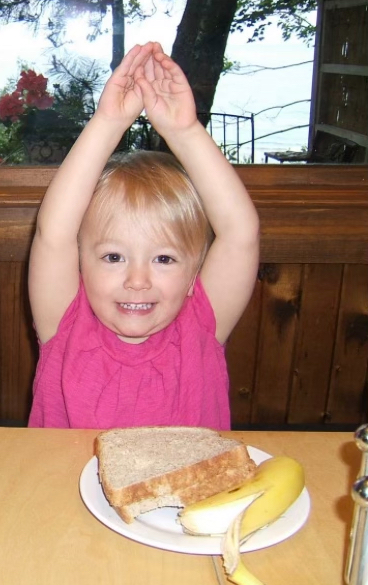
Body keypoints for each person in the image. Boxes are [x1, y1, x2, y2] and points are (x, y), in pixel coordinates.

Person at [27, 42, 260, 430]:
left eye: (164, 259)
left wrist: (183, 131)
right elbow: (54, 233)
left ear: (193, 274)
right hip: (60, 492)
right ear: (80, 263)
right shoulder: (64, 325)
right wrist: (107, 123)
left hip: (190, 493)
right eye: (113, 257)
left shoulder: (202, 326)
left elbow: (241, 233)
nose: (137, 281)